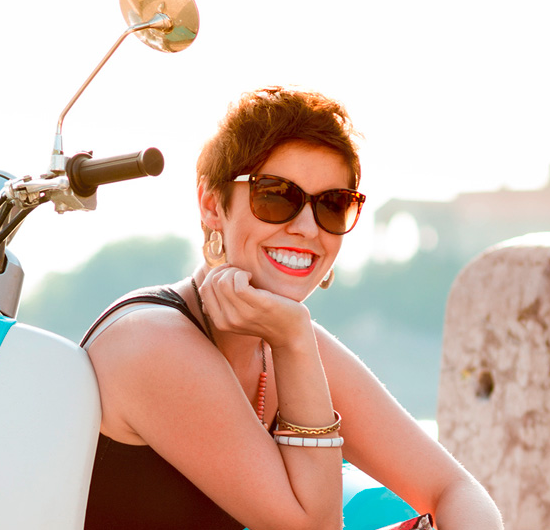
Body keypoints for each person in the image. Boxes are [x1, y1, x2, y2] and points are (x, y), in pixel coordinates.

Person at [79, 86, 504, 530]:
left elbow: (455, 489)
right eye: (276, 195)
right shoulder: (151, 342)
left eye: (332, 205)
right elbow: (311, 528)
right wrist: (293, 338)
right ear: (212, 204)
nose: (306, 228)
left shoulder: (283, 339)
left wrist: (291, 338)